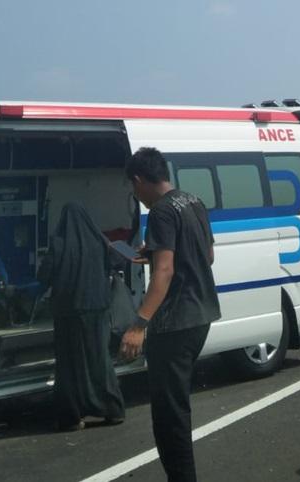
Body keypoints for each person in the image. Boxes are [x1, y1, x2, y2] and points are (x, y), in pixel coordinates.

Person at [120, 147, 221, 482]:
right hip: (202, 314)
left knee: (169, 415)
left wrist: (138, 324)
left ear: (139, 180)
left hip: (175, 322)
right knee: (176, 407)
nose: (137, 196)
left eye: (133, 189)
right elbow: (206, 256)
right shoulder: (193, 201)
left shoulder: (161, 213)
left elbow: (164, 273)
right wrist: (155, 253)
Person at [38, 203, 125, 432]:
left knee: (69, 366)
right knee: (100, 360)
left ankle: (72, 417)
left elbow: (44, 276)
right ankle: (112, 409)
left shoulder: (58, 244)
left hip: (68, 313)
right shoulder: (99, 242)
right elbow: (119, 261)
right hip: (97, 309)